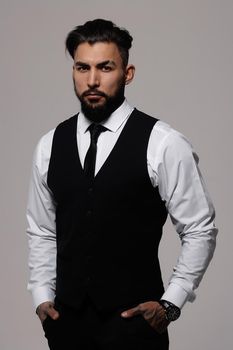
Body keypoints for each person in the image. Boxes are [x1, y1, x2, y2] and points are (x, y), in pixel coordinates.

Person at [26, 18, 217, 350]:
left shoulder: (163, 143)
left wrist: (171, 303)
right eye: (82, 68)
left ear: (127, 73)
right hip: (66, 328)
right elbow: (42, 229)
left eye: (105, 67)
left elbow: (200, 227)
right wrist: (42, 298)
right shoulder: (49, 145)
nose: (93, 80)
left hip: (135, 328)